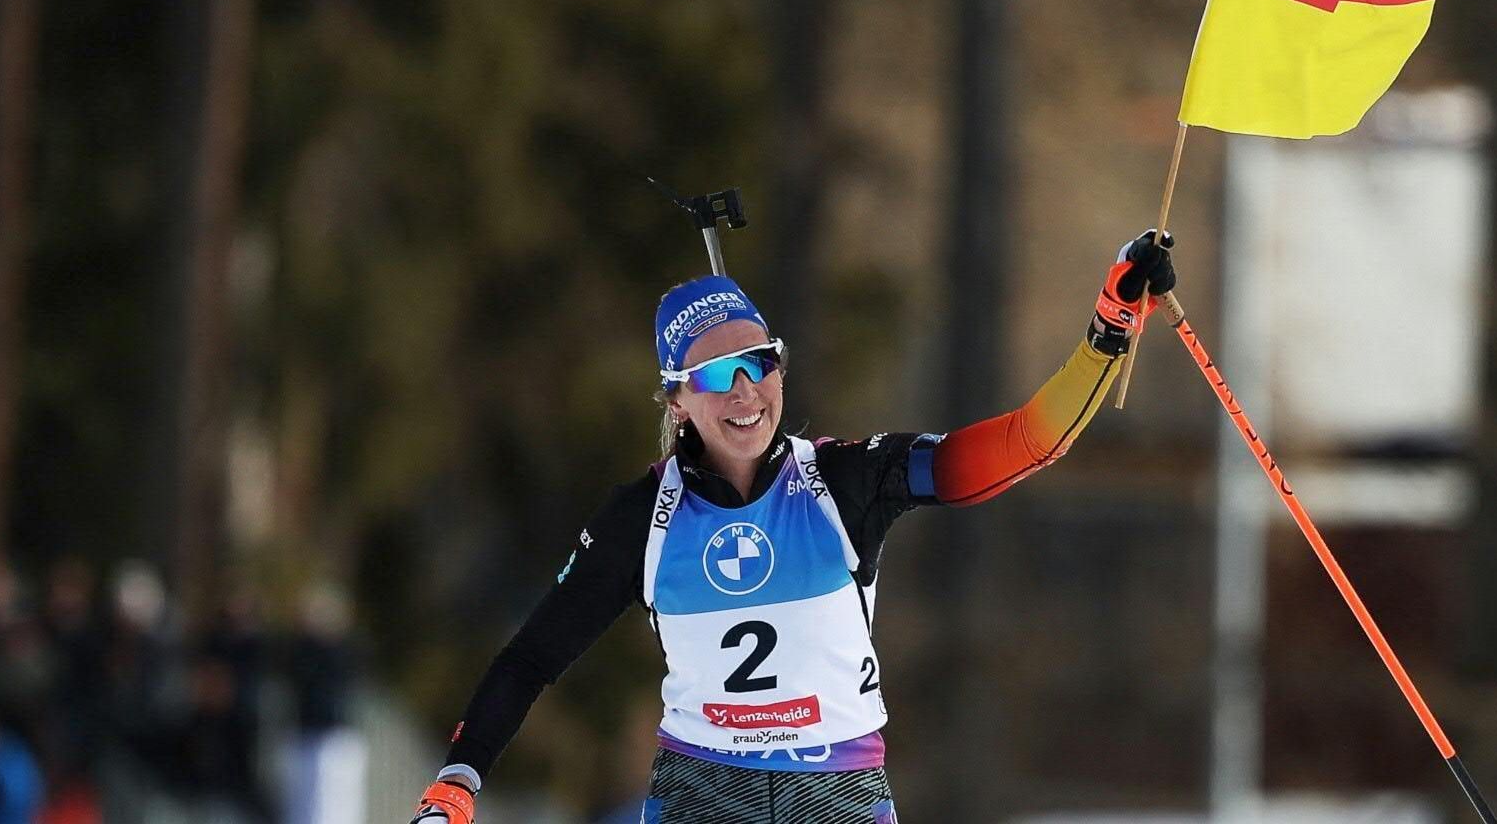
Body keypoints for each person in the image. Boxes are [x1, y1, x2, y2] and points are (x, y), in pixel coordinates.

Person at [410, 231, 1177, 824]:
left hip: (839, 792)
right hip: (702, 795)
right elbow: (531, 658)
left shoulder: (846, 481)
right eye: (714, 376)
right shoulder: (642, 519)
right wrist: (460, 777)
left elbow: (1021, 445)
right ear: (676, 400)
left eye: (758, 363)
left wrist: (1107, 331)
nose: (744, 391)